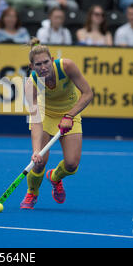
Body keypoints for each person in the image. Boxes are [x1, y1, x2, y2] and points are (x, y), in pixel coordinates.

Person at [20, 37, 93, 209]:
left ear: (52, 60)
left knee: (71, 164)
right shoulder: (31, 84)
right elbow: (36, 120)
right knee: (39, 162)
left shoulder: (66, 66)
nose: (43, 67)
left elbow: (88, 93)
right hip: (45, 116)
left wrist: (70, 115)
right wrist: (36, 150)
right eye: (38, 65)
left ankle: (54, 177)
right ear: (32, 67)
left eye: (46, 62)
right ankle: (32, 192)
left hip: (70, 114)